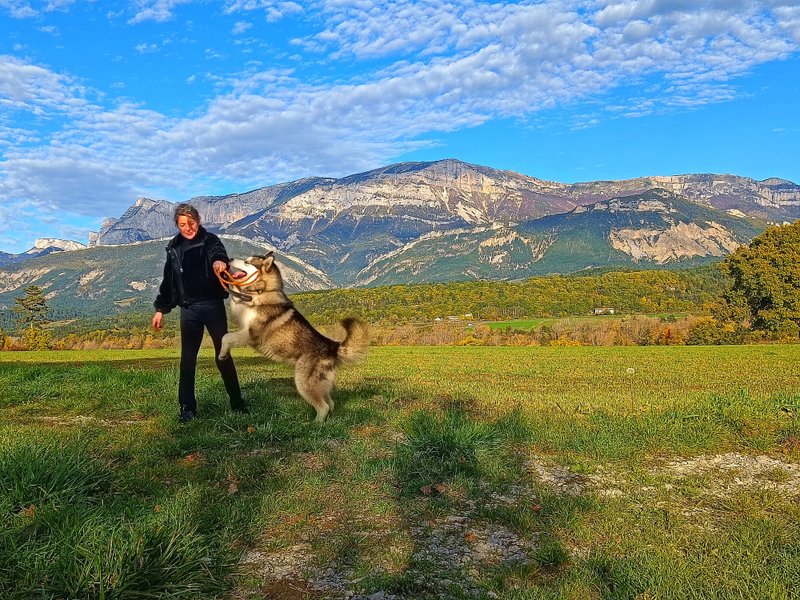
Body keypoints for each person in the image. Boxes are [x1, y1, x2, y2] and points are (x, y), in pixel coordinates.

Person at [152, 203, 248, 423]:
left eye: (191, 223)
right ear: (177, 224)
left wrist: (219, 263)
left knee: (222, 355)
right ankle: (187, 408)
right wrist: (160, 309)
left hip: (212, 306)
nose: (188, 228)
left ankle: (237, 402)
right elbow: (169, 281)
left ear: (198, 221)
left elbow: (218, 253)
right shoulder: (173, 248)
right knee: (187, 360)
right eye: (183, 224)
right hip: (189, 311)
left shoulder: (210, 240)